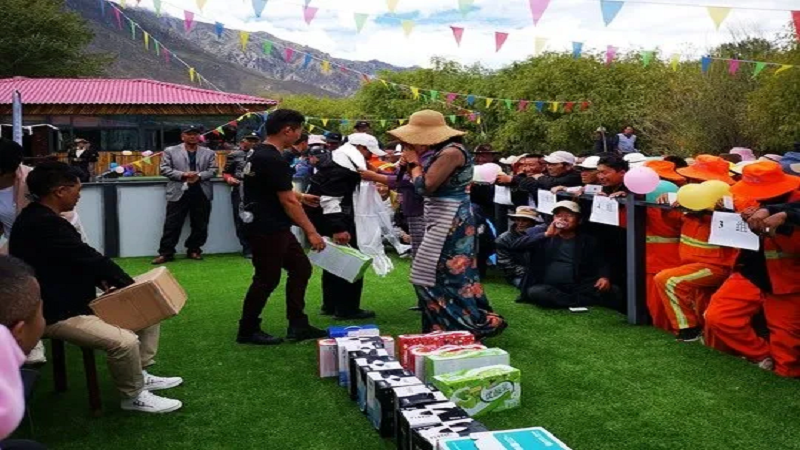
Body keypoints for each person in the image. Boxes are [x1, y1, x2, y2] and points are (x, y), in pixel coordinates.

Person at [9, 162, 183, 413]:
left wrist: (106, 282)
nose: (79, 196)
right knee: (124, 342)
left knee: (147, 307)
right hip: (56, 312)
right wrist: (124, 283)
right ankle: (133, 396)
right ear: (60, 191)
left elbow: (73, 261)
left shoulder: (41, 218)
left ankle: (139, 373)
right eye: (77, 190)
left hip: (73, 298)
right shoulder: (42, 223)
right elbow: (89, 258)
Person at [388, 110, 506, 338]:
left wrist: (414, 163)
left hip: (451, 219)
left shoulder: (452, 152)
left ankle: (464, 326)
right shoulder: (442, 151)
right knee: (440, 274)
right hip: (441, 216)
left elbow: (424, 186)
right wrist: (409, 164)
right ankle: (443, 327)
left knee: (442, 274)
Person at [237, 109, 327, 345]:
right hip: (267, 227)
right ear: (288, 130)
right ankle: (247, 329)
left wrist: (302, 196)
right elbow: (287, 201)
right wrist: (311, 232)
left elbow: (273, 189)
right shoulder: (273, 159)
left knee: (300, 268)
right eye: (299, 130)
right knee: (266, 278)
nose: (300, 135)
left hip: (270, 225)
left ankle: (298, 323)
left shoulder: (258, 152)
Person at [705, 161, 800, 375]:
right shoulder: (749, 200)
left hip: (788, 281)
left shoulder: (795, 200)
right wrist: (726, 209)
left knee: (787, 342)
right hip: (751, 272)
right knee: (718, 316)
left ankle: (784, 375)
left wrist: (780, 215)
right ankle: (763, 357)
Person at [1, 137, 89, 365]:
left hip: (56, 236)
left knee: (28, 281)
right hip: (17, 244)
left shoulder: (32, 180)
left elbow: (63, 214)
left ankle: (32, 334)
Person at [654, 155, 739, 342]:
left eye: (696, 180)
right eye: (690, 179)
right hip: (695, 264)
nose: (690, 183)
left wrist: (716, 211)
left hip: (717, 266)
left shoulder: (729, 202)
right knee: (704, 309)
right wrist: (668, 209)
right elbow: (675, 224)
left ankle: (688, 331)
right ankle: (708, 342)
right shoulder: (690, 200)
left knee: (668, 280)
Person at [306, 133, 386, 320]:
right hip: (337, 217)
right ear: (360, 148)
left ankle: (331, 304)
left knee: (333, 260)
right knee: (350, 260)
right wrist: (338, 228)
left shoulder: (337, 160)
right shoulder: (341, 167)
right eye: (368, 152)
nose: (369, 156)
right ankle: (347, 308)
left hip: (325, 216)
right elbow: (331, 200)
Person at [515, 201, 615, 308]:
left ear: (579, 220)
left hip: (577, 285)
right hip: (547, 285)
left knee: (613, 290)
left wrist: (604, 277)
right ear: (553, 218)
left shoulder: (588, 239)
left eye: (569, 215)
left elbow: (601, 261)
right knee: (538, 292)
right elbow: (516, 246)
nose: (563, 219)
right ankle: (584, 301)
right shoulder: (539, 232)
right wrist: (546, 235)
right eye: (559, 216)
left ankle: (570, 300)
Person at [153, 125, 219, 264]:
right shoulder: (170, 151)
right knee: (172, 224)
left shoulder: (209, 152)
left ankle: (194, 250)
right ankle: (166, 253)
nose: (192, 136)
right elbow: (164, 169)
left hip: (201, 190)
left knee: (200, 223)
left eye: (195, 134)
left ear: (199, 136)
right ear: (182, 136)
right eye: (189, 134)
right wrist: (184, 175)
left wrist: (198, 176)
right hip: (178, 190)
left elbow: (213, 170)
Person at [223, 133, 261, 258]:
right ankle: (247, 247)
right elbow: (226, 172)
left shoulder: (261, 155)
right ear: (242, 141)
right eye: (249, 140)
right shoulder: (234, 155)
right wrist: (229, 179)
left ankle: (260, 246)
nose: (252, 143)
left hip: (258, 188)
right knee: (241, 218)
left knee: (260, 217)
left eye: (255, 141)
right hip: (240, 187)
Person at [495, 206, 542, 288]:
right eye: (517, 220)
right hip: (517, 275)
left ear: (533, 222)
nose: (520, 223)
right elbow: (506, 264)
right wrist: (528, 273)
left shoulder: (542, 236)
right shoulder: (503, 239)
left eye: (525, 220)